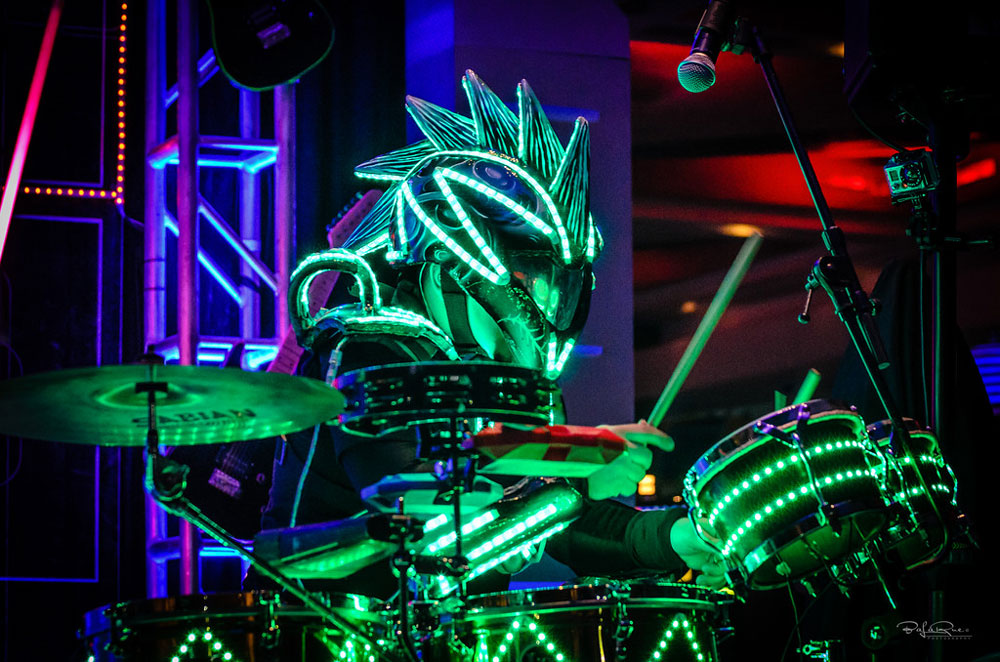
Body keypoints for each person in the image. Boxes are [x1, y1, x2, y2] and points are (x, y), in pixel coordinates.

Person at [253, 71, 724, 598]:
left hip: (439, 632)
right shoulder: (368, 348)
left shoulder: (516, 386)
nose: (539, 312)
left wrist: (676, 538)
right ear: (449, 262)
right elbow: (419, 516)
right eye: (529, 280)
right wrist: (576, 462)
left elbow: (564, 524)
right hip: (316, 623)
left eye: (555, 287)